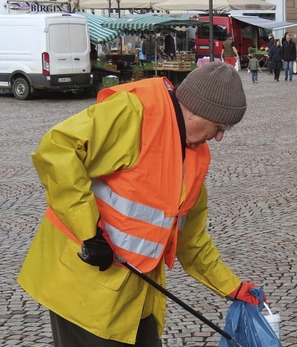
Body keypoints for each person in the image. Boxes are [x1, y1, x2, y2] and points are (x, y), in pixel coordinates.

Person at [17, 62, 266, 346]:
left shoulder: (194, 158)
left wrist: (232, 287)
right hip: (81, 289)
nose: (219, 137)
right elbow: (56, 149)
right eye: (219, 126)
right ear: (196, 110)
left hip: (135, 298)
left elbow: (192, 241)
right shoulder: (135, 112)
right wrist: (90, 232)